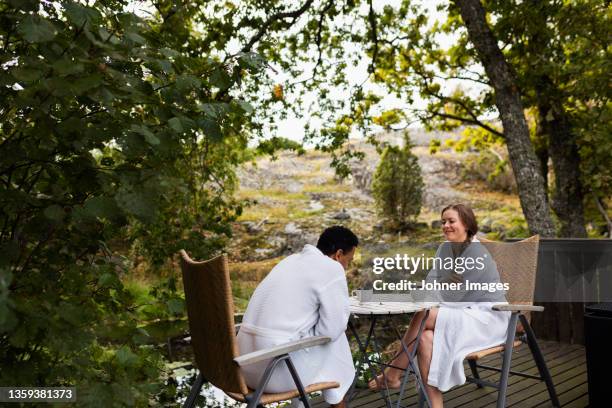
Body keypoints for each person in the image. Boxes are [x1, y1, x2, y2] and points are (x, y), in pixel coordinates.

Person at [368, 204, 511, 408]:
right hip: (460, 315)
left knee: (424, 314)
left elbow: (461, 297)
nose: (446, 225)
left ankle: (393, 373)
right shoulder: (444, 249)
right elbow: (430, 286)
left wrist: (441, 288)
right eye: (443, 221)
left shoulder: (477, 254)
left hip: (487, 318)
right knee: (425, 338)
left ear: (467, 225)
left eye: (451, 221)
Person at [237, 225, 359, 408]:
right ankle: (337, 402)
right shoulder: (331, 268)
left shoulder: (291, 261)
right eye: (348, 261)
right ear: (338, 254)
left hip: (243, 367)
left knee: (307, 334)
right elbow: (332, 330)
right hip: (273, 372)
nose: (346, 267)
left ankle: (303, 405)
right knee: (337, 336)